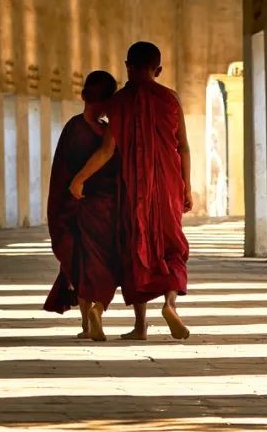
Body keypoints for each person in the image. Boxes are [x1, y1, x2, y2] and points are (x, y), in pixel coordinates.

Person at [70, 42, 192, 341]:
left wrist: (79, 179)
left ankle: (140, 325)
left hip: (134, 187)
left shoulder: (119, 102)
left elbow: (107, 151)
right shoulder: (170, 99)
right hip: (168, 185)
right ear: (158, 70)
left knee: (137, 250)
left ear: (127, 67)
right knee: (172, 247)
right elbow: (183, 147)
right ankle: (170, 304)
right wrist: (187, 187)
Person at [43, 70, 120, 341]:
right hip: (106, 209)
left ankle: (87, 324)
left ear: (84, 95)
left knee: (81, 265)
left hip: (76, 208)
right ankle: (99, 308)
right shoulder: (108, 133)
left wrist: (60, 210)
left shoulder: (74, 128)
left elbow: (62, 174)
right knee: (105, 264)